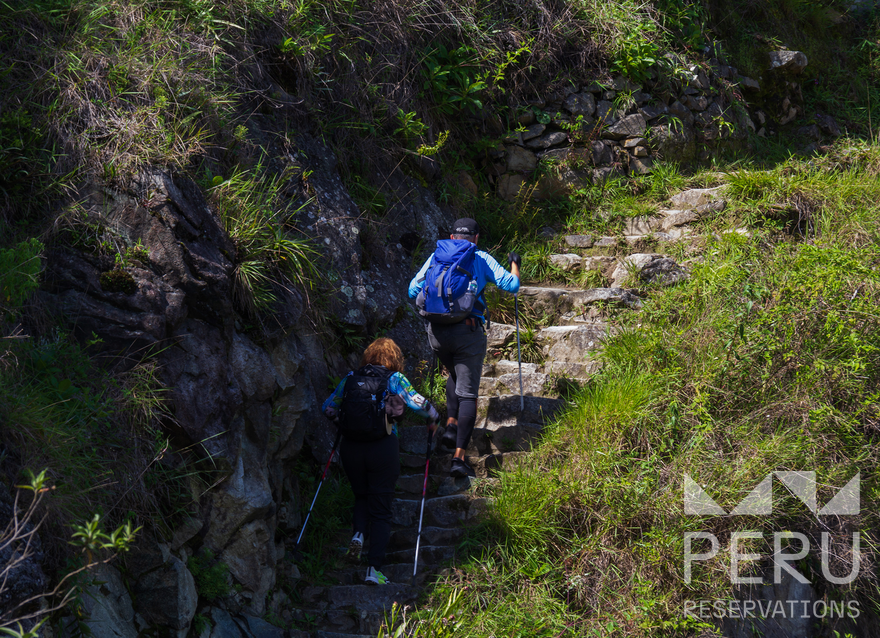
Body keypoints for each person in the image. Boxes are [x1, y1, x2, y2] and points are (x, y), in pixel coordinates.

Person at [408, 218, 520, 478]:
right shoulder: (480, 257)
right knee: (468, 393)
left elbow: (413, 289)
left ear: (451, 236)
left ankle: (450, 425)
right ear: (476, 238)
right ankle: (459, 458)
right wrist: (515, 264)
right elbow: (511, 285)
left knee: (455, 374)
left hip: (436, 334)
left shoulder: (436, 256)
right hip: (467, 332)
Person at [322, 337, 439, 585]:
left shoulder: (351, 378)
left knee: (362, 496)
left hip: (352, 448)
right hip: (382, 448)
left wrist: (342, 425)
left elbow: (328, 407)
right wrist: (433, 417)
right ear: (394, 358)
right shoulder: (394, 379)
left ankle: (358, 534)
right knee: (382, 509)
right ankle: (374, 569)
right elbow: (419, 403)